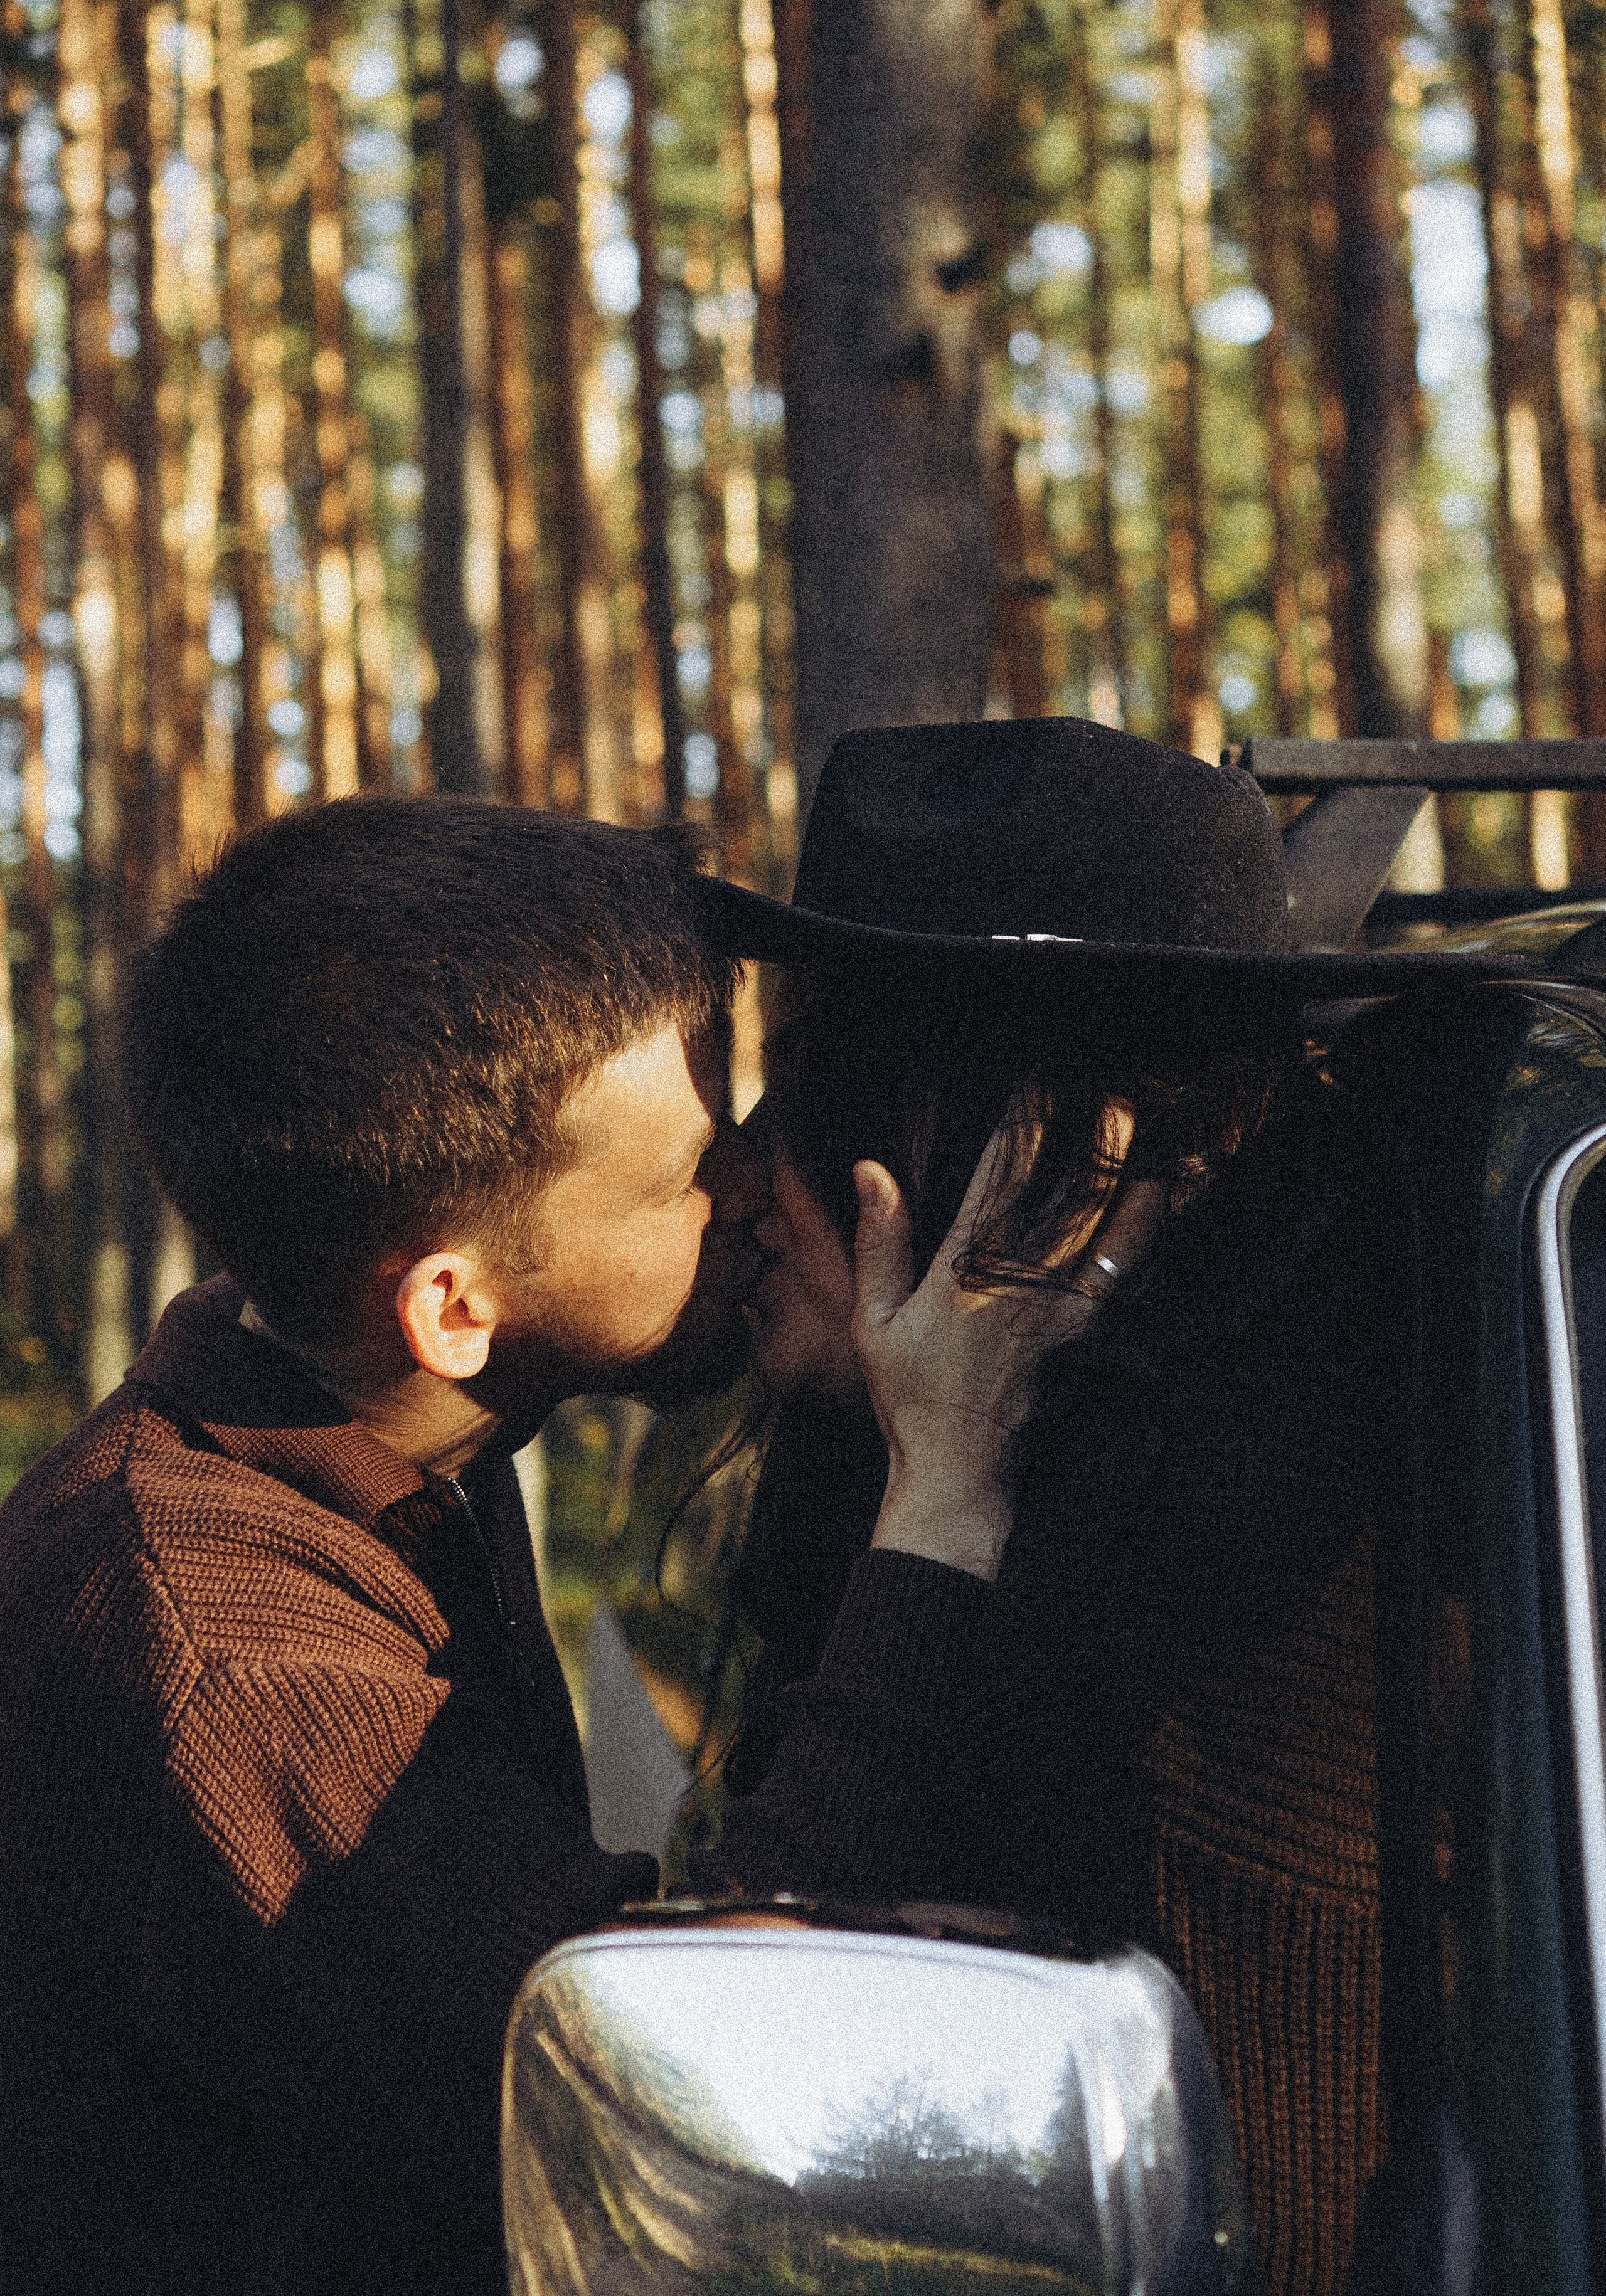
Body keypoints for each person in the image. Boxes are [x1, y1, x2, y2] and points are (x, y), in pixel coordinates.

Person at [0, 795, 1103, 2296]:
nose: (760, 1188)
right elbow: (686, 2097)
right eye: (688, 1173)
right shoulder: (220, 1647)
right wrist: (943, 1497)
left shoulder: (384, 1450)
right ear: (453, 1307)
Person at [688, 718, 1453, 2296]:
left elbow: (746, 2096)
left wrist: (944, 1514)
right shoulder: (934, 1477)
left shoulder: (1251, 1602)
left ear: (1013, 1143)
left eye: (823, 1091)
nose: (743, 1171)